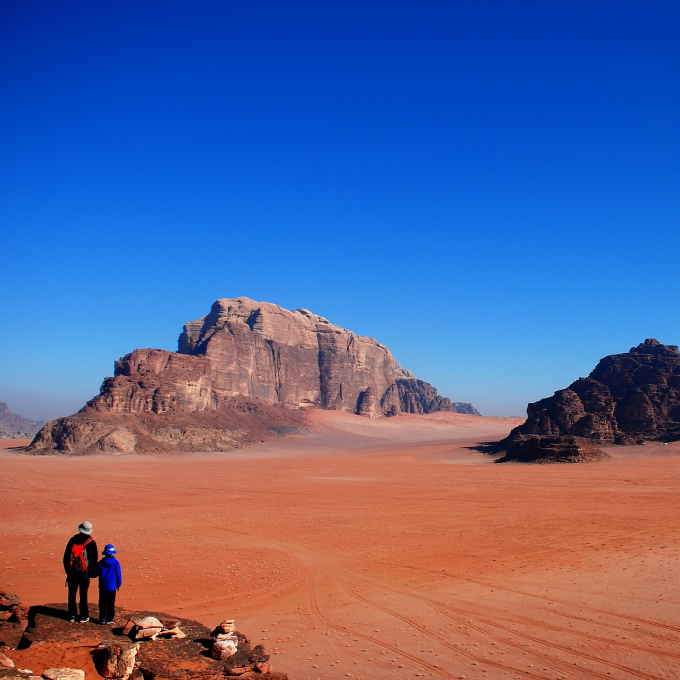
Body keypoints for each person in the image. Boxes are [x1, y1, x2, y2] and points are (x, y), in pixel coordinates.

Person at [63, 521, 98, 622]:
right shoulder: (91, 542)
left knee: (72, 593)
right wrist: (92, 573)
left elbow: (66, 557)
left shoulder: (72, 540)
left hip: (72, 572)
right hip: (84, 573)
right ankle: (84, 615)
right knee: (83, 594)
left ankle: (71, 615)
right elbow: (93, 560)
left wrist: (68, 571)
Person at [97, 544, 122, 625]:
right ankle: (109, 619)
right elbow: (118, 575)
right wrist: (119, 584)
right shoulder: (116, 563)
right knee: (111, 603)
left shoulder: (101, 563)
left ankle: (102, 619)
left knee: (102, 603)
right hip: (112, 587)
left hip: (103, 586)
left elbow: (95, 573)